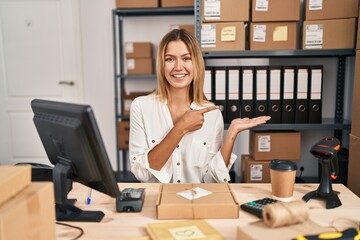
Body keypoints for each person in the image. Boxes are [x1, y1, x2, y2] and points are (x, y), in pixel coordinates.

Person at [129, 28, 270, 183]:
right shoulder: (141, 107)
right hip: (157, 201)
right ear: (161, 65)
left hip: (196, 201)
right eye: (170, 59)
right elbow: (141, 173)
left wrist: (232, 133)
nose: (178, 67)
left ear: (196, 63)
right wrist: (180, 127)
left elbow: (211, 179)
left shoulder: (212, 114)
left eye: (186, 58)